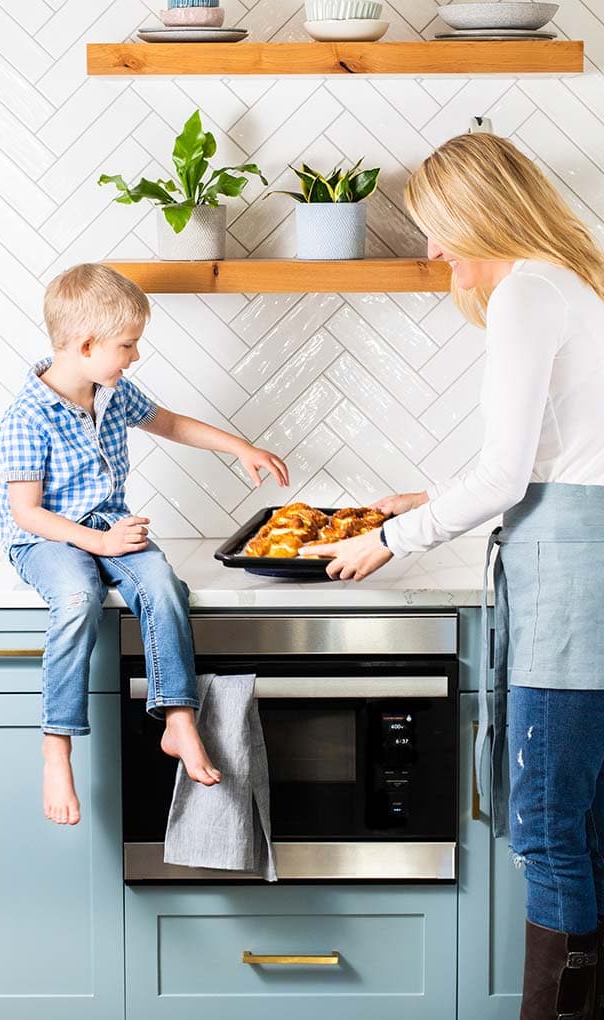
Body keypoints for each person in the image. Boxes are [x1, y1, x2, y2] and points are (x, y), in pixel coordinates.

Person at [301, 132, 604, 1020]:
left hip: (569, 589)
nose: (433, 252)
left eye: (439, 230)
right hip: (580, 562)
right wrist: (434, 494)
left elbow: (510, 478)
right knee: (584, 832)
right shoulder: (573, 281)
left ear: (482, 213)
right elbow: (571, 456)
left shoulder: (526, 292)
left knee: (550, 833)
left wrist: (392, 537)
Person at [0, 263, 288, 828]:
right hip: (48, 538)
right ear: (86, 345)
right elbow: (26, 513)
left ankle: (179, 720)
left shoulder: (112, 393)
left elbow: (172, 424)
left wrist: (240, 447)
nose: (134, 356)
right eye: (127, 345)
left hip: (109, 526)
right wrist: (99, 545)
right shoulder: (26, 417)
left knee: (162, 586)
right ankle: (57, 747)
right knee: (79, 598)